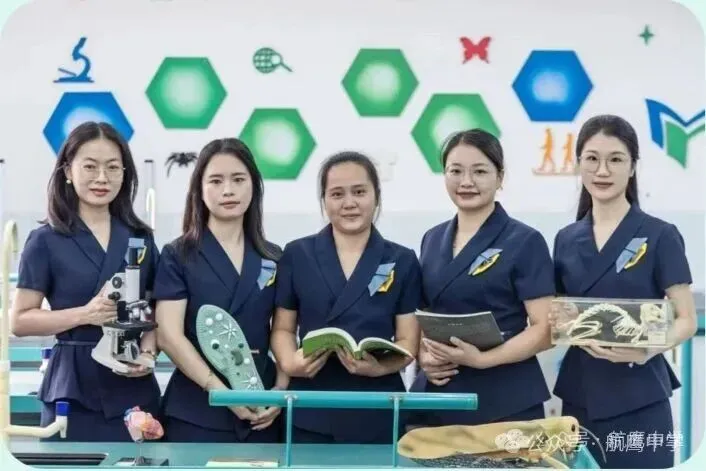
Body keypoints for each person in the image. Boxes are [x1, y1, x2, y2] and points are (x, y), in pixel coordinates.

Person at [551, 114, 697, 469]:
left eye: (615, 159)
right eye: (592, 158)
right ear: (579, 164)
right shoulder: (566, 239)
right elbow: (560, 311)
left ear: (632, 167)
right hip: (580, 399)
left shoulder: (660, 235)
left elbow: (686, 319)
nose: (602, 170)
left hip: (640, 396)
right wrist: (561, 320)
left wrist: (645, 349)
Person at [11, 121, 161, 441]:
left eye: (113, 167)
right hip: (72, 389)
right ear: (68, 171)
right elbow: (20, 321)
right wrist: (84, 314)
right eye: (90, 166)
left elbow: (155, 310)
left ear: (125, 173)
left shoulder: (140, 238)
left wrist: (148, 354)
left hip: (132, 388)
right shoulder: (45, 240)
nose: (102, 178)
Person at [270, 151, 421, 444]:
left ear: (376, 196)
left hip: (378, 407)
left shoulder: (402, 260)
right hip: (310, 403)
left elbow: (408, 341)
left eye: (359, 192)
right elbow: (283, 329)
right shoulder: (297, 254)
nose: (349, 203)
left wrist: (381, 367)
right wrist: (289, 362)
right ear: (324, 200)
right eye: (337, 194)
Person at [408, 129, 555, 427]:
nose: (466, 182)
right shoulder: (432, 238)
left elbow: (546, 329)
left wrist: (483, 360)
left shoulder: (525, 240)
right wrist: (424, 356)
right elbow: (423, 316)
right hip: (440, 393)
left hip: (504, 399)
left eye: (479, 171)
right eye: (455, 171)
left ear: (499, 178)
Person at [153, 138, 285, 443]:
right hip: (196, 408)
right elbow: (169, 335)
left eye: (238, 179)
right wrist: (221, 392)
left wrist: (280, 391)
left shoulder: (274, 257)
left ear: (254, 186)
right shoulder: (178, 255)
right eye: (216, 181)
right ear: (199, 189)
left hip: (262, 406)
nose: (228, 190)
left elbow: (284, 331)